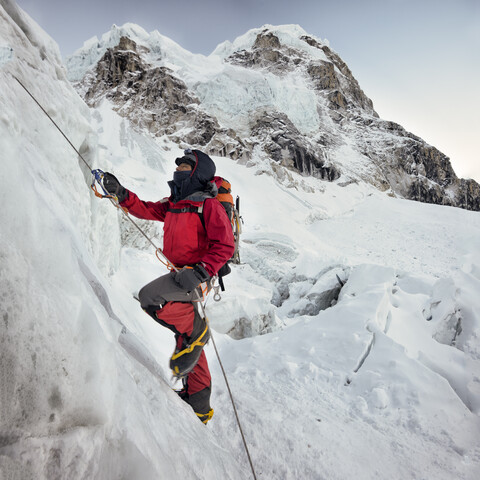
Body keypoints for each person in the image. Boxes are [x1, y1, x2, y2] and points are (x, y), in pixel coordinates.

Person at [103, 149, 235, 424]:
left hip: (196, 277)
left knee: (150, 297)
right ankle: (199, 403)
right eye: (179, 166)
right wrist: (121, 193)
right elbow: (147, 209)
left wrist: (200, 271)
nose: (180, 169)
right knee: (184, 339)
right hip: (183, 274)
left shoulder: (207, 205)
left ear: (199, 172)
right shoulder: (176, 203)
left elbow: (225, 245)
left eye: (187, 166)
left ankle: (197, 333)